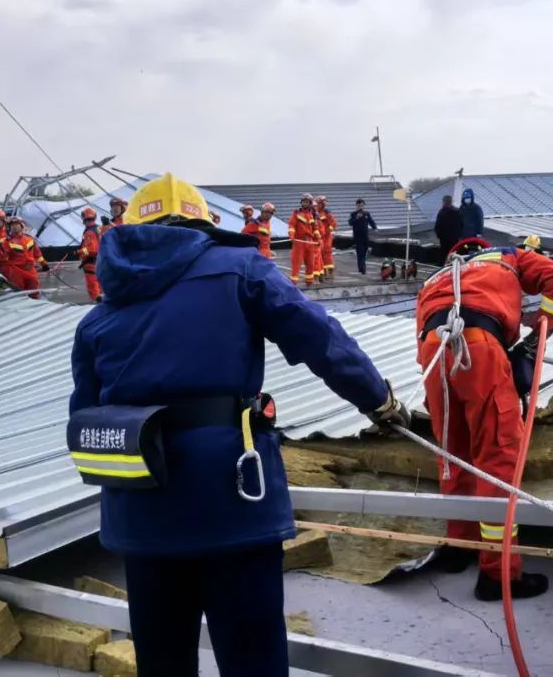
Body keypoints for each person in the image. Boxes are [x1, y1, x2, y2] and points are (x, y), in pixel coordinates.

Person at [67, 173, 411, 677]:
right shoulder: (239, 268)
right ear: (201, 223)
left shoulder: (97, 317)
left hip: (141, 512)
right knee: (253, 659)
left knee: (162, 661)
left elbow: (84, 419)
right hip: (233, 497)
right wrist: (380, 403)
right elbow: (321, 341)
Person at [415, 235, 553, 601]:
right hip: (480, 344)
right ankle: (498, 576)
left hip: (432, 351)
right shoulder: (508, 256)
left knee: (452, 456)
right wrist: (539, 335)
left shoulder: (434, 281)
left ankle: (459, 547)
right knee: (497, 457)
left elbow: (422, 335)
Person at [3, 215, 48, 299]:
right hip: (17, 272)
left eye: (16, 224)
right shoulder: (7, 242)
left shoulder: (30, 239)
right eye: (12, 225)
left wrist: (44, 264)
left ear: (22, 225)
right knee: (19, 295)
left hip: (31, 271)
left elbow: (37, 253)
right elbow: (4, 259)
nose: (14, 227)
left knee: (34, 293)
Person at [288, 193, 319, 287]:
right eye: (303, 201)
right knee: (296, 262)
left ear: (310, 203)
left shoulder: (312, 214)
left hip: (309, 241)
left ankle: (309, 281)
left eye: (307, 202)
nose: (304, 203)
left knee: (310, 263)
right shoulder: (296, 213)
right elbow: (291, 225)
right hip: (299, 241)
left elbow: (315, 228)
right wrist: (291, 235)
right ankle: (293, 283)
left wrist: (318, 238)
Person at [77, 208, 103, 303]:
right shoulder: (98, 229)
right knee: (101, 289)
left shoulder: (89, 232)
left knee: (94, 291)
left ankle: (97, 308)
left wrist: (79, 252)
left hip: (91, 264)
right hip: (100, 262)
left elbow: (91, 250)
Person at [348, 198, 377, 274]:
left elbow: (371, 222)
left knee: (364, 253)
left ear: (364, 206)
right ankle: (362, 269)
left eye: (362, 205)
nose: (360, 207)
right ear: (356, 206)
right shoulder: (353, 214)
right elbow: (350, 223)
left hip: (365, 236)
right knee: (360, 253)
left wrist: (375, 228)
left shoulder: (367, 214)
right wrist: (356, 218)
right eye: (359, 205)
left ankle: (362, 268)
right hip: (358, 237)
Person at [434, 195, 463, 264]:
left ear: (443, 202)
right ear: (451, 201)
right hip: (454, 238)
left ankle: (443, 268)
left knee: (444, 254)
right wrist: (458, 235)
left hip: (444, 238)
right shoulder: (457, 211)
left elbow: (437, 226)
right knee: (454, 253)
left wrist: (439, 235)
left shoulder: (441, 212)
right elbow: (461, 224)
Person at [315, 196, 338, 279]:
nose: (318, 205)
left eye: (319, 204)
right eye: (317, 204)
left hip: (327, 236)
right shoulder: (315, 213)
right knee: (320, 253)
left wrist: (328, 231)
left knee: (327, 252)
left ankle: (330, 272)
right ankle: (323, 271)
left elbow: (334, 224)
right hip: (319, 236)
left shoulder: (327, 213)